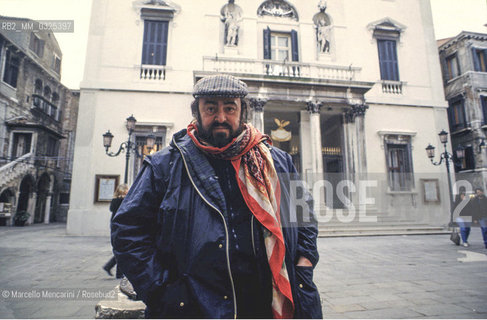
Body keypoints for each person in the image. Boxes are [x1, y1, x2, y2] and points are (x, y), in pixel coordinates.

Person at [111, 74, 322, 318]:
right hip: (197, 307)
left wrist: (305, 264)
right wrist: (165, 291)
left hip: (267, 304)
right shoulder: (165, 166)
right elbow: (127, 231)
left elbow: (303, 214)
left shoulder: (278, 162)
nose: (221, 117)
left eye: (229, 108)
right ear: (197, 112)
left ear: (243, 112)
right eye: (210, 108)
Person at [103, 183, 129, 278]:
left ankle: (112, 268)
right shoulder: (123, 200)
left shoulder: (115, 200)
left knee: (121, 248)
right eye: (126, 189)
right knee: (122, 249)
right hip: (121, 225)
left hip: (116, 225)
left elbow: (111, 209)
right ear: (123, 190)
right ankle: (114, 270)